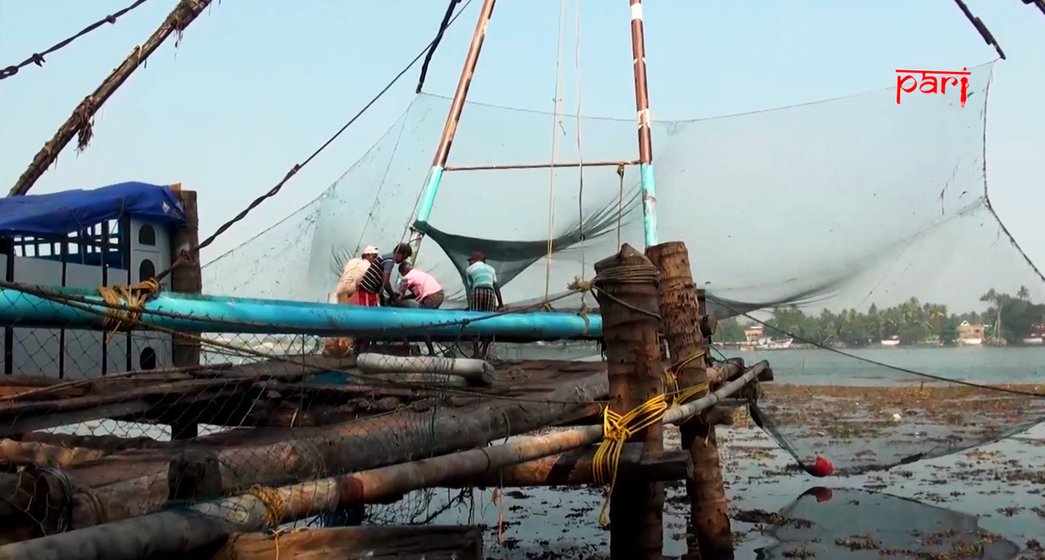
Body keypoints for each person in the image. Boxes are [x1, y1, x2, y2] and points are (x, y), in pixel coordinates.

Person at [394, 261, 444, 355]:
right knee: (426, 322)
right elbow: (415, 294)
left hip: (432, 297)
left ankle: (431, 351)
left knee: (422, 324)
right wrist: (404, 298)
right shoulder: (418, 274)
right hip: (438, 295)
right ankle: (430, 347)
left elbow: (401, 292)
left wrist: (399, 298)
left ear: (403, 272)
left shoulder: (408, 277)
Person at [465, 251, 503, 358]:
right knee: (489, 321)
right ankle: (484, 352)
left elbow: (471, 288)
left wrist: (471, 304)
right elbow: (496, 286)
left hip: (477, 290)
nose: (469, 263)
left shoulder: (469, 269)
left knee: (474, 320)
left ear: (475, 260)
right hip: (490, 292)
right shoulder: (491, 269)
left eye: (471, 260)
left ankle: (476, 352)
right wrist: (500, 304)